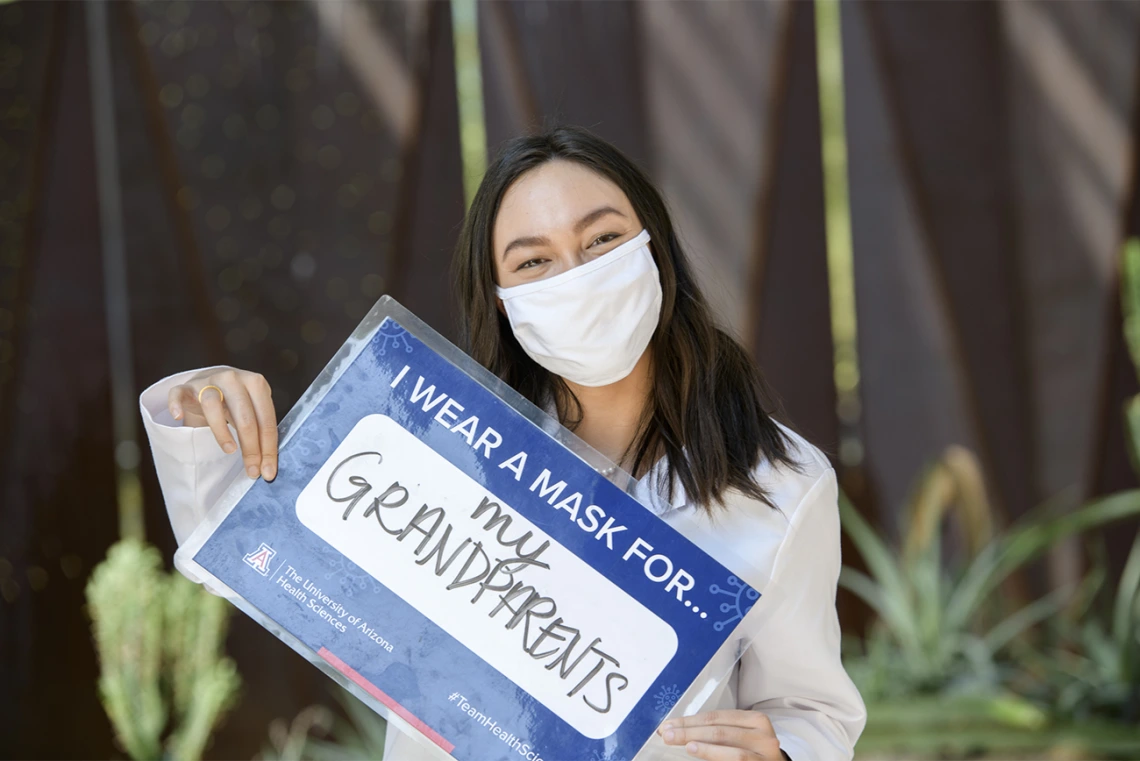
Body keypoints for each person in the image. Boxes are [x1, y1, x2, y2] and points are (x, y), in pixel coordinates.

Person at [139, 125, 866, 761]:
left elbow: (811, 711)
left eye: (603, 238)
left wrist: (786, 752)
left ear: (656, 249)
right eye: (533, 261)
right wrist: (200, 406)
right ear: (500, 296)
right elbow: (242, 542)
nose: (576, 276)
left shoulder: (781, 483)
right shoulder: (429, 445)